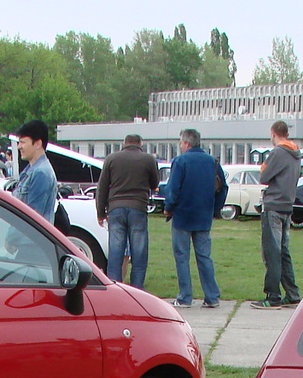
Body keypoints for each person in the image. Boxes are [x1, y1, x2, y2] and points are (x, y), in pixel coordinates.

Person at [161, 127, 226, 308]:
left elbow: (173, 189)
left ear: (187, 143)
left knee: (182, 257)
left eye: (181, 142)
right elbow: (223, 187)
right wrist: (215, 208)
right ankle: (212, 296)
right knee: (204, 257)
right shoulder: (212, 161)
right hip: (203, 216)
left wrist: (168, 208)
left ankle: (185, 296)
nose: (180, 146)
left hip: (182, 216)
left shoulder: (180, 161)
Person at [247, 120, 302, 308]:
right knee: (283, 251)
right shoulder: (295, 153)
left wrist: (265, 165)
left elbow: (264, 177)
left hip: (274, 206)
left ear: (273, 133)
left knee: (272, 252)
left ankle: (273, 296)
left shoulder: (278, 152)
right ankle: (292, 293)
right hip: (287, 206)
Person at [95, 132, 158, 286]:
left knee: (116, 254)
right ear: (140, 144)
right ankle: (137, 290)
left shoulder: (111, 159)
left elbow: (102, 187)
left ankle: (116, 290)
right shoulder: (149, 159)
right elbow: (154, 183)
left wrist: (100, 212)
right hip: (138, 208)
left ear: (124, 143)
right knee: (139, 255)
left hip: (115, 209)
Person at [11, 120, 57, 224]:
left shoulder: (41, 174)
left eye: (22, 142)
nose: (19, 146)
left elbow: (32, 219)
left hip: (28, 240)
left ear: (37, 144)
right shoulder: (31, 170)